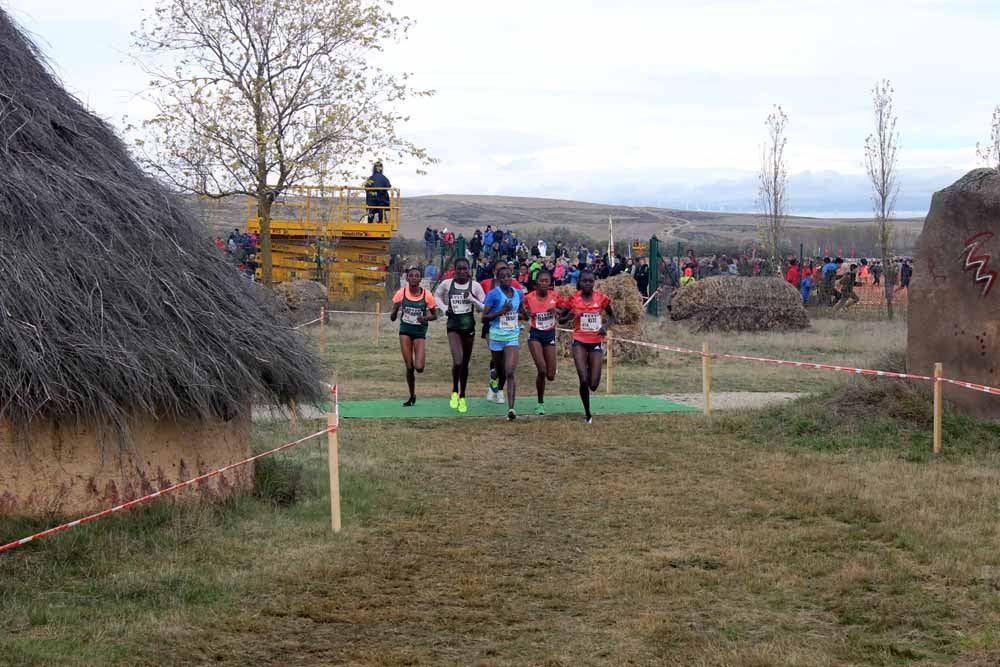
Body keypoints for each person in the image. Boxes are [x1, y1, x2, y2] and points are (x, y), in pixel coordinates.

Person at [559, 270, 615, 424]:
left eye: (591, 281)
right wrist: (569, 316)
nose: (588, 284)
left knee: (594, 385)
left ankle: (591, 370)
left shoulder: (601, 298)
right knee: (583, 380)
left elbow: (612, 316)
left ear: (594, 282)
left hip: (595, 342)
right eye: (585, 281)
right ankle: (588, 413)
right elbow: (561, 319)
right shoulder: (573, 298)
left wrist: (605, 326)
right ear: (580, 282)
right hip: (579, 341)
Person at [434, 258, 486, 414]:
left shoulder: (475, 286)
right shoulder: (447, 284)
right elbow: (437, 295)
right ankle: (454, 390)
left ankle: (463, 395)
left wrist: (473, 300)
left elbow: (484, 307)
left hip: (469, 327)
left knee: (465, 363)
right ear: (454, 270)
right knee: (457, 361)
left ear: (469, 270)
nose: (462, 272)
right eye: (459, 269)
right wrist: (444, 308)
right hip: (453, 327)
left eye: (465, 269)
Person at [390, 267, 438, 406]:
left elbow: (434, 315)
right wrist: (396, 308)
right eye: (411, 276)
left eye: (417, 276)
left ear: (420, 279)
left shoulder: (427, 295)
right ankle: (412, 396)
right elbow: (393, 318)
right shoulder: (401, 293)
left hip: (419, 331)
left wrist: (425, 318)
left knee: (419, 368)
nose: (414, 278)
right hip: (405, 330)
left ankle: (420, 356)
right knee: (409, 367)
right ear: (407, 278)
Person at [482, 266, 523, 420]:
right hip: (496, 337)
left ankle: (511, 409)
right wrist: (501, 311)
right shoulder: (493, 294)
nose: (507, 279)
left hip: (512, 337)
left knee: (510, 372)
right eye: (503, 277)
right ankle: (494, 374)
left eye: (509, 276)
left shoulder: (518, 293)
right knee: (500, 372)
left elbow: (522, 311)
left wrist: (524, 314)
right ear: (498, 279)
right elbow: (484, 318)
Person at [522, 270, 559, 415]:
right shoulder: (529, 297)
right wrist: (526, 314)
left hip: (549, 334)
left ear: (550, 283)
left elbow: (563, 314)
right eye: (541, 280)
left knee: (550, 375)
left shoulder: (555, 296)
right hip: (535, 334)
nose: (544, 283)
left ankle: (551, 369)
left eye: (546, 281)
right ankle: (540, 403)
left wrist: (556, 311)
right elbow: (522, 313)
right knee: (542, 370)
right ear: (537, 282)